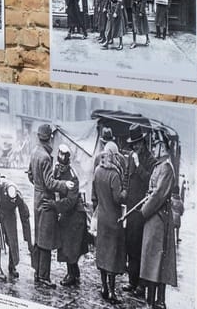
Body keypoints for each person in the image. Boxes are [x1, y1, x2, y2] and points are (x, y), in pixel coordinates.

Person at [28, 123, 73, 289]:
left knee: (39, 238)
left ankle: (37, 273)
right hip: (46, 202)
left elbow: (31, 175)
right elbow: (49, 183)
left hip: (37, 200)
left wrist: (38, 186)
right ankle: (44, 277)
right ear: (49, 138)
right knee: (45, 240)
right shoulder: (46, 157)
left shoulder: (34, 152)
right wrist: (63, 185)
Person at [138, 135, 177, 309]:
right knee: (150, 259)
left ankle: (157, 301)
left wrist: (143, 211)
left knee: (155, 260)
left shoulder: (167, 168)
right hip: (152, 218)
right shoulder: (159, 166)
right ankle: (151, 299)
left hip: (158, 219)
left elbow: (158, 194)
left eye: (156, 146)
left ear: (163, 148)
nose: (154, 149)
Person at [92, 142, 127, 301]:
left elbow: (94, 195)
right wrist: (125, 192)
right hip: (114, 219)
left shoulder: (98, 171)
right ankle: (112, 292)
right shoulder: (114, 174)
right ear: (114, 155)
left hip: (102, 218)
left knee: (102, 253)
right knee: (112, 254)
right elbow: (117, 198)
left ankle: (103, 287)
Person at [0, 172, 33, 282]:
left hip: (10, 212)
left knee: (12, 238)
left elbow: (25, 218)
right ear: (5, 191)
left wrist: (29, 241)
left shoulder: (18, 197)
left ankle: (12, 266)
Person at [52, 144, 88, 287]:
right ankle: (74, 271)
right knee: (66, 244)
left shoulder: (73, 177)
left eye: (64, 157)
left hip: (75, 215)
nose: (61, 160)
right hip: (67, 214)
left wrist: (55, 206)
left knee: (71, 246)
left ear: (68, 159)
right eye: (60, 155)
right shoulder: (57, 170)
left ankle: (71, 275)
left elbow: (71, 201)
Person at [123, 125, 152, 300]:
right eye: (133, 145)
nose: (135, 147)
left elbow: (150, 181)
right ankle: (132, 281)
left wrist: (139, 164)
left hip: (143, 210)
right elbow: (127, 177)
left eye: (138, 144)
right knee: (131, 245)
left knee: (142, 248)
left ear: (143, 142)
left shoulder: (150, 160)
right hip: (130, 210)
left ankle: (142, 285)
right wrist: (124, 193)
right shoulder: (129, 157)